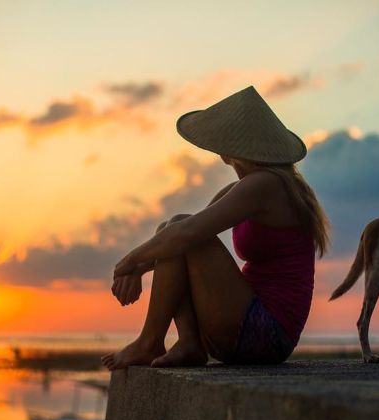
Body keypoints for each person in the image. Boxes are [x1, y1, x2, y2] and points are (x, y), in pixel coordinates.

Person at [100, 85, 329, 370]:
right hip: (248, 326)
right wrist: (138, 268)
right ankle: (189, 344)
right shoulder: (245, 189)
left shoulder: (266, 185)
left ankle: (149, 343)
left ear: (227, 150)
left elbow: (188, 232)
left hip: (266, 332)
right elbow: (178, 238)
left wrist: (127, 261)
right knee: (170, 229)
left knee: (180, 230)